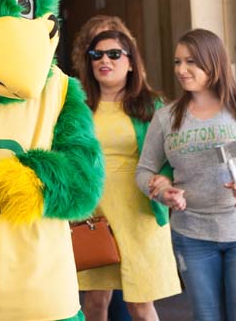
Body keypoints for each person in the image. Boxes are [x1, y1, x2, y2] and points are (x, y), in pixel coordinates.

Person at [136, 28, 236, 321]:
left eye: (191, 62)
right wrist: (160, 191)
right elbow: (144, 171)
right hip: (192, 234)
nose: (181, 69)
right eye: (177, 62)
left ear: (213, 62)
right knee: (207, 317)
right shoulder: (166, 117)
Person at [73, 18, 181, 321]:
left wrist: (165, 180)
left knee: (140, 304)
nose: (104, 60)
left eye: (113, 54)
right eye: (97, 55)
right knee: (94, 301)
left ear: (131, 63)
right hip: (93, 211)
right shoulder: (78, 105)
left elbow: (172, 156)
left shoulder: (152, 105)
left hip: (139, 211)